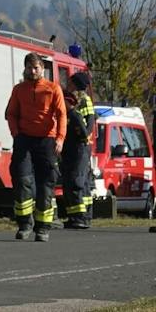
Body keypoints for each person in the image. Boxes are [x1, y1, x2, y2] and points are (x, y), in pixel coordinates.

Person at [5, 51, 67, 241]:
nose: (33, 71)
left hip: (47, 141)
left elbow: (62, 114)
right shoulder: (18, 89)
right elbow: (11, 113)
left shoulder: (53, 89)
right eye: (30, 67)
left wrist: (60, 138)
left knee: (45, 184)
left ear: (42, 69)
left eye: (36, 67)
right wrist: (15, 133)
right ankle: (24, 225)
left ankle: (42, 228)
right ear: (25, 68)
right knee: (22, 181)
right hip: (24, 140)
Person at [60, 70, 97, 229]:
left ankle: (80, 217)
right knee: (78, 180)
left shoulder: (83, 100)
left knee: (76, 180)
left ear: (76, 84)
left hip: (79, 146)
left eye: (70, 82)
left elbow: (89, 122)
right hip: (74, 145)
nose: (67, 84)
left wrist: (83, 136)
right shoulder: (73, 98)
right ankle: (80, 216)